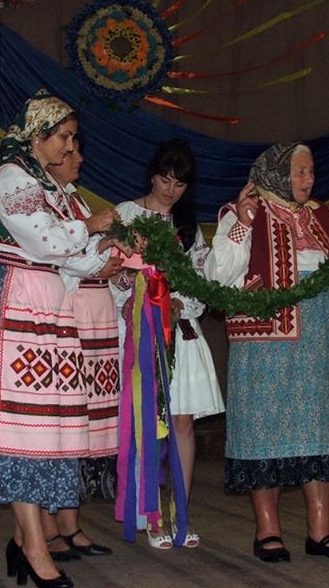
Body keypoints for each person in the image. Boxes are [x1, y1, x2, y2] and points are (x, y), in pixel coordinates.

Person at [0, 91, 124, 588]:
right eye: (63, 137)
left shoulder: (49, 188)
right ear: (37, 135)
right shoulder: (12, 178)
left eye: (74, 137)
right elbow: (45, 241)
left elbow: (64, 255)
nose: (70, 145)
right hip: (15, 298)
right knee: (23, 426)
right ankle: (33, 547)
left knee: (48, 425)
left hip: (50, 303)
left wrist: (102, 261)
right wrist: (89, 227)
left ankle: (25, 542)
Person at [204, 143, 329, 563]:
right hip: (264, 340)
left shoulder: (321, 215)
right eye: (298, 172)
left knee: (321, 427)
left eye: (310, 171)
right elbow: (218, 276)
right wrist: (241, 223)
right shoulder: (243, 211)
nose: (307, 180)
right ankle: (268, 529)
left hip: (320, 337)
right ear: (275, 173)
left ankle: (321, 530)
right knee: (266, 428)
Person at [113, 138, 225, 549]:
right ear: (153, 174)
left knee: (182, 421)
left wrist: (180, 300)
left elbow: (202, 280)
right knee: (147, 420)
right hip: (143, 332)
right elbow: (109, 274)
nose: (170, 189)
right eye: (165, 178)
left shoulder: (188, 227)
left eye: (179, 184)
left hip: (182, 330)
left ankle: (181, 512)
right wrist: (133, 288)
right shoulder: (126, 215)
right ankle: (151, 514)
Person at [40, 144, 122, 562]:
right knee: (62, 421)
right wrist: (98, 259)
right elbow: (56, 255)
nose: (78, 157)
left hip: (96, 314)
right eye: (67, 147)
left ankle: (70, 523)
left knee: (81, 426)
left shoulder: (73, 198)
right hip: (72, 311)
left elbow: (84, 250)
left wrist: (112, 247)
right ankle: (49, 526)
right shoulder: (43, 195)